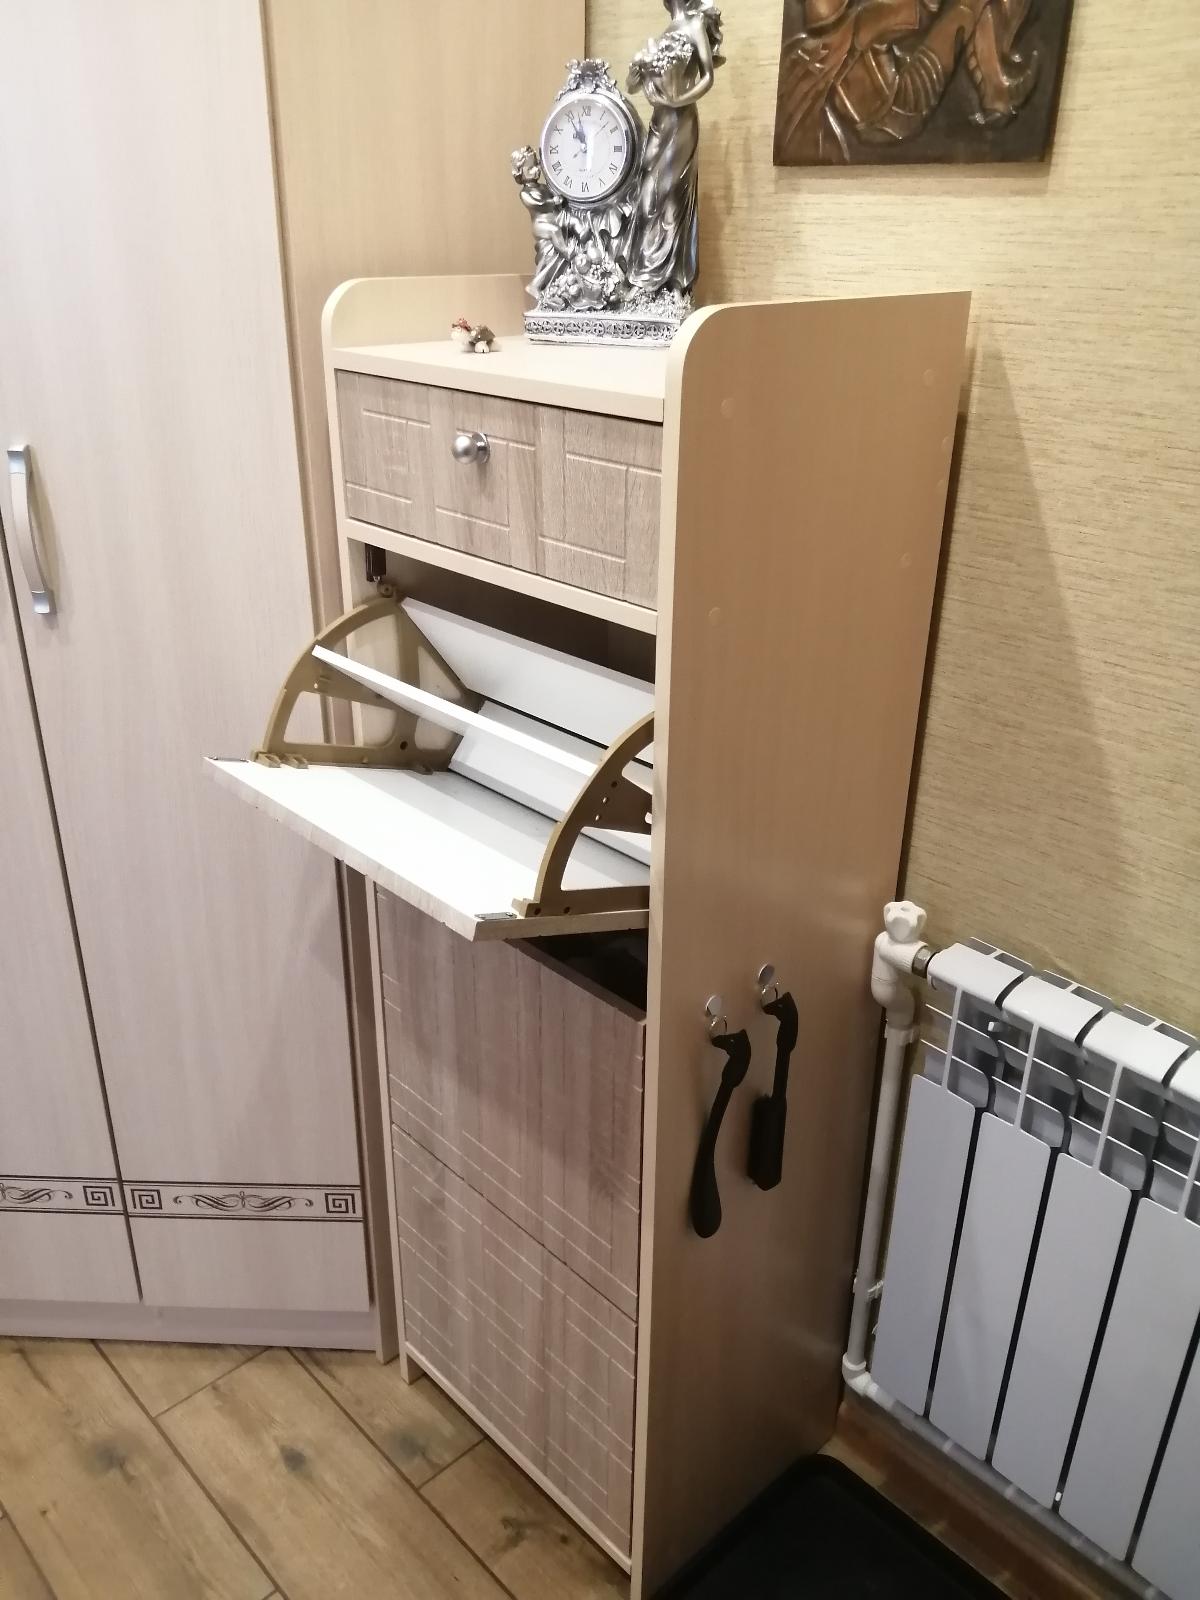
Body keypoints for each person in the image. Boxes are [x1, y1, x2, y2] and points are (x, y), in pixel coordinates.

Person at [626, 0, 725, 299]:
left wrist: (679, 101)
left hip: (682, 120)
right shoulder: (665, 32)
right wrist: (636, 72)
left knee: (671, 197)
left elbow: (708, 77)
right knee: (646, 197)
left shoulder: (695, 25)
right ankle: (644, 276)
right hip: (659, 121)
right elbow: (632, 86)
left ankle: (669, 281)